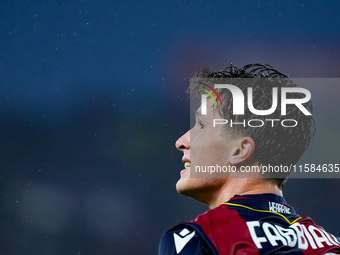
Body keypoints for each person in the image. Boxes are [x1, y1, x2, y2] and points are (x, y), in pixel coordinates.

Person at [158, 64, 340, 254]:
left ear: (240, 150)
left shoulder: (198, 239)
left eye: (201, 126)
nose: (181, 142)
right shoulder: (331, 244)